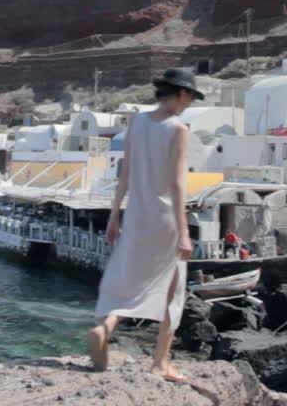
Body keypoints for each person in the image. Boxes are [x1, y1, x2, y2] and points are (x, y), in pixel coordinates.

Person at [88, 67, 202, 383]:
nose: (189, 102)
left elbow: (124, 175)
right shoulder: (178, 129)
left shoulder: (136, 122)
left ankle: (105, 326)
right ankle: (160, 362)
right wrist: (185, 232)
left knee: (133, 280)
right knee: (172, 290)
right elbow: (178, 184)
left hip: (137, 217)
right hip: (166, 219)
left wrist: (114, 216)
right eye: (190, 96)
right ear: (181, 94)